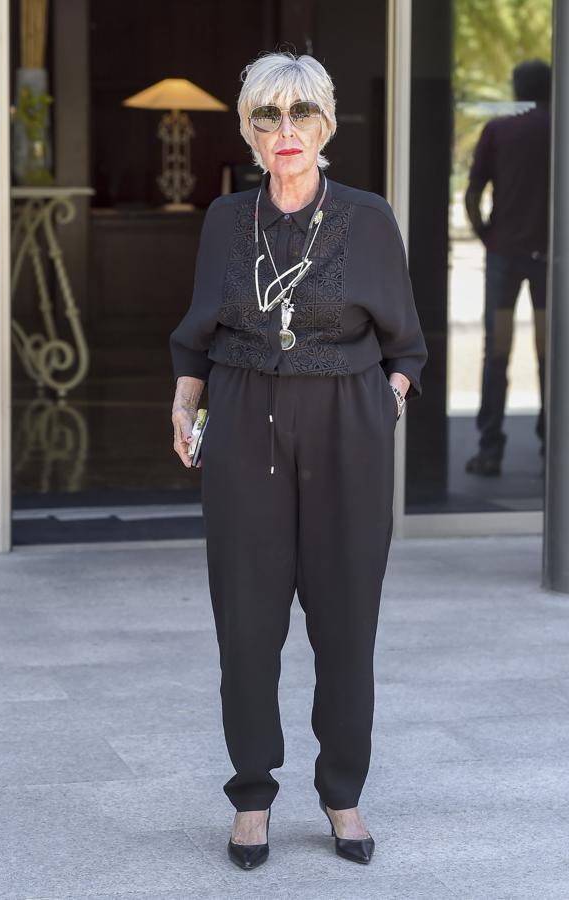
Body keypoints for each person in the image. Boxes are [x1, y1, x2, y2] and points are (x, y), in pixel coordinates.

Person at [170, 50, 428, 869]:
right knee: (247, 624)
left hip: (346, 429)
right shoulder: (225, 221)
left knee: (347, 624)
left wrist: (383, 403)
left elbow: (407, 346)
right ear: (249, 130)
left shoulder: (368, 217)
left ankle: (342, 795)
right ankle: (252, 798)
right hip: (244, 423)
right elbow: (195, 336)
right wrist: (184, 405)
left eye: (302, 116)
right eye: (268, 117)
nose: (287, 132)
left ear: (326, 126)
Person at [465, 59, 551, 477]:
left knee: (496, 352)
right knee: (551, 353)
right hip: (551, 259)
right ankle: (552, 445)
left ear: (518, 88)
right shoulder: (560, 130)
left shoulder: (499, 131)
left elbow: (473, 192)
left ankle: (490, 449)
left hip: (504, 257)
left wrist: (486, 235)